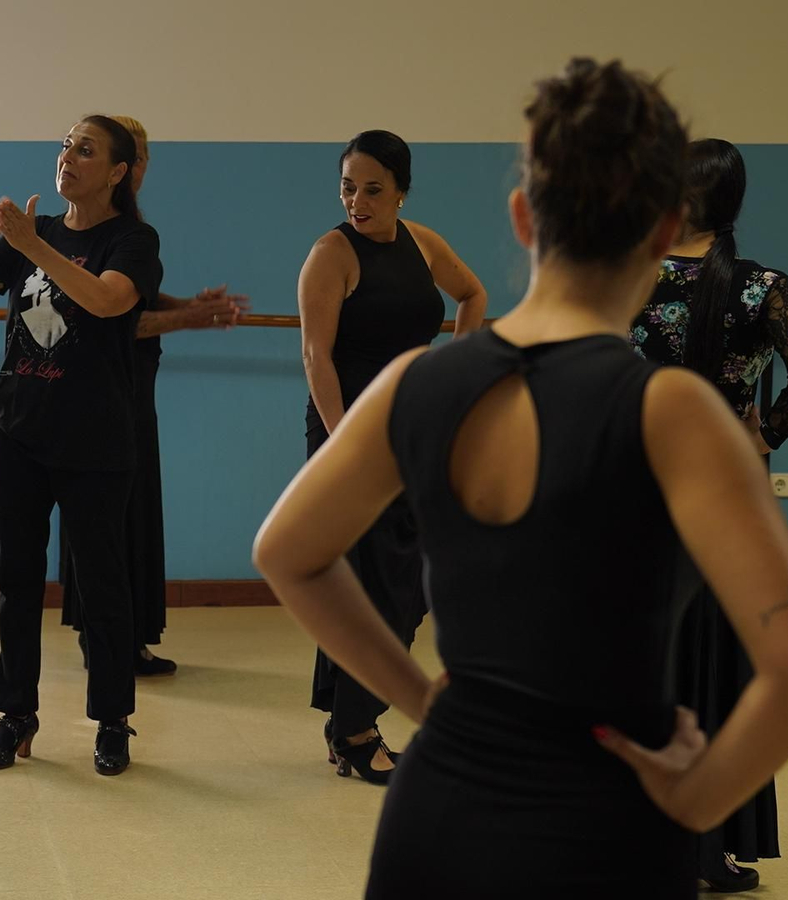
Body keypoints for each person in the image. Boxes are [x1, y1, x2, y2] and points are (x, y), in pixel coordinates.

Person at [254, 57, 788, 898]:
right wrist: (691, 797)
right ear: (664, 226)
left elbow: (287, 553)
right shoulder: (678, 413)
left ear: (524, 217)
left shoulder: (414, 386)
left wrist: (423, 703)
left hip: (439, 814)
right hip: (605, 827)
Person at [631, 137, 788, 891]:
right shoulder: (767, 287)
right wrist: (764, 434)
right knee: (717, 664)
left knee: (645, 658)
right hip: (732, 503)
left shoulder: (634, 280)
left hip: (644, 492)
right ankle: (710, 845)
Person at [0, 115, 162, 776]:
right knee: (16, 579)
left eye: (86, 149)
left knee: (101, 584)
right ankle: (15, 716)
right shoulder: (36, 234)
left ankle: (113, 721)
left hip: (95, 440)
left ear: (118, 172)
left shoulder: (133, 239)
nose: (68, 156)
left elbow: (106, 302)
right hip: (18, 430)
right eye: (66, 144)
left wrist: (28, 246)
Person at [296, 128, 487, 782]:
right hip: (347, 437)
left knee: (400, 583)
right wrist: (346, 442)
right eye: (349, 188)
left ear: (401, 191)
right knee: (377, 584)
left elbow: (473, 295)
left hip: (409, 431)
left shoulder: (422, 242)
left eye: (373, 189)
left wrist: (453, 378)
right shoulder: (331, 254)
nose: (358, 201)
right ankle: (354, 729)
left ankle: (346, 720)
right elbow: (316, 356)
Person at [58, 114, 250, 677]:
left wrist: (187, 305)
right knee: (104, 521)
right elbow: (110, 319)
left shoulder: (130, 234)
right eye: (131, 157)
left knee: (136, 514)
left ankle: (128, 637)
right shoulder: (84, 232)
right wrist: (189, 319)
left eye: (144, 159)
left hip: (132, 392)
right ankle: (103, 640)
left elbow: (134, 299)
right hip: (94, 396)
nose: (137, 168)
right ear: (115, 166)